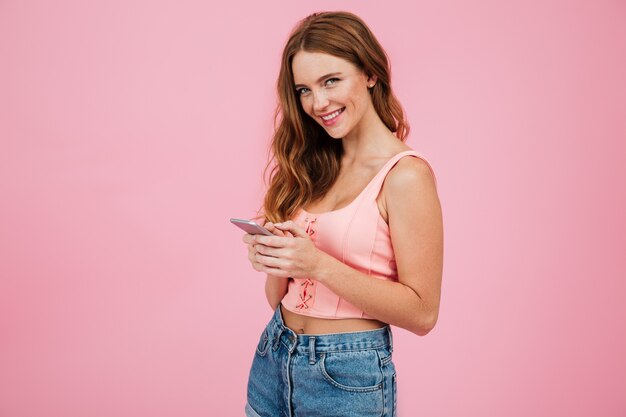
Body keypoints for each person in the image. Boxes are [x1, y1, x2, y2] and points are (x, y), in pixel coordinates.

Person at [241, 10, 443, 417]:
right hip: (273, 356)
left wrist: (317, 264)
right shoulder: (311, 164)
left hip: (348, 376)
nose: (318, 103)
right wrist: (276, 258)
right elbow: (274, 298)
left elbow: (423, 313)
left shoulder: (406, 176)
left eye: (331, 81)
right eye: (304, 90)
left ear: (370, 73)